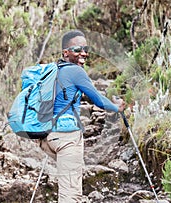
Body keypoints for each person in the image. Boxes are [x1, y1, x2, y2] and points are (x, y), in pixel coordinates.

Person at [39, 29, 125, 202]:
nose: (83, 53)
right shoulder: (76, 72)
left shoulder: (53, 71)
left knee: (67, 182)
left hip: (46, 137)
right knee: (71, 195)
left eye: (85, 49)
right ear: (66, 52)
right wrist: (117, 107)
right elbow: (99, 101)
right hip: (66, 137)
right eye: (77, 50)